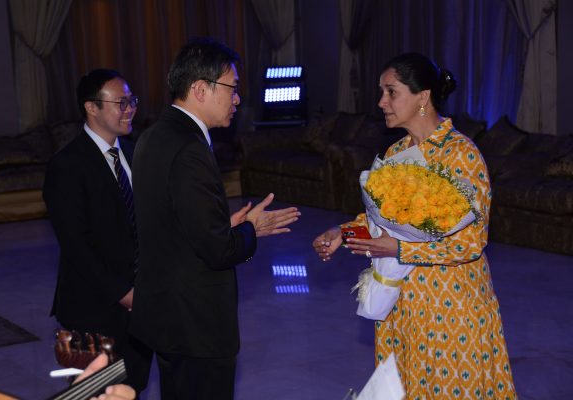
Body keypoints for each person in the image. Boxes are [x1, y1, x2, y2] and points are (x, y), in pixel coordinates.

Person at [313, 53, 517, 398]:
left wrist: (400, 249)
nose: (381, 102)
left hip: (450, 309)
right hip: (404, 308)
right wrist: (342, 233)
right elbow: (381, 221)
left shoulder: (461, 155)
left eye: (391, 92)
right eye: (382, 92)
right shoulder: (396, 153)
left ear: (423, 97)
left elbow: (470, 244)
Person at [129, 37, 300, 400]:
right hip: (196, 323)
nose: (237, 99)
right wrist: (252, 229)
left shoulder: (154, 135)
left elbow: (172, 221)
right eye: (232, 88)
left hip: (168, 314)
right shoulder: (189, 147)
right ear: (200, 89)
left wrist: (224, 225)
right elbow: (217, 251)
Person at [43, 69, 152, 396]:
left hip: (142, 304)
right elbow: (76, 246)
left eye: (132, 101)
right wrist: (124, 293)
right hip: (91, 309)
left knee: (132, 388)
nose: (130, 109)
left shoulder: (135, 151)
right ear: (92, 107)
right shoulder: (67, 165)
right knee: (93, 392)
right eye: (121, 103)